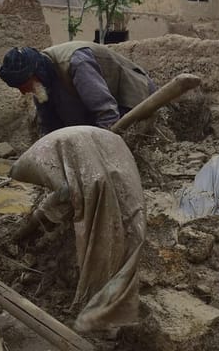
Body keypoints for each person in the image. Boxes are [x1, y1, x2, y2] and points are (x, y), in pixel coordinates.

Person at [9, 125, 146, 333]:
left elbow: (65, 192)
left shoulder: (34, 162)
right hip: (111, 146)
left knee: (106, 226)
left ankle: (102, 302)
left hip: (91, 156)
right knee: (127, 212)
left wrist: (28, 229)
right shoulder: (51, 158)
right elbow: (63, 194)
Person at [0, 41, 156, 134]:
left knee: (124, 135)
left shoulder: (77, 63)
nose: (24, 91)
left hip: (134, 95)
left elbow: (106, 113)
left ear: (38, 72)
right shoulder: (41, 84)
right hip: (107, 104)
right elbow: (49, 127)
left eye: (25, 85)